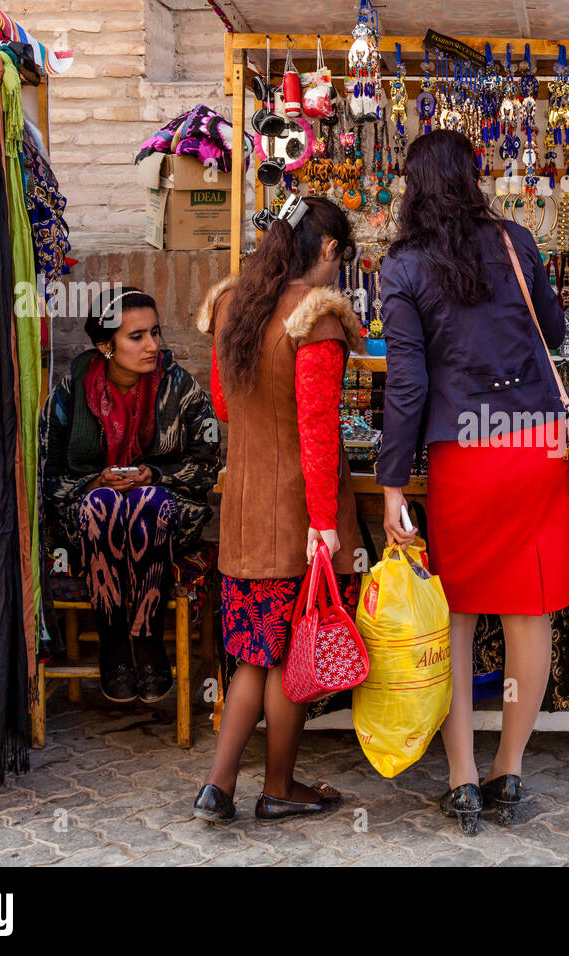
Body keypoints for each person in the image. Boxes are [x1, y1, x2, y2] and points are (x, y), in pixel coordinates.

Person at [377, 130, 569, 834]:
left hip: (462, 456)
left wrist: (390, 483)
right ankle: (510, 769)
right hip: (533, 446)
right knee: (528, 612)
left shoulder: (403, 266)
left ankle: (462, 778)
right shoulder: (515, 241)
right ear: (475, 179)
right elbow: (555, 333)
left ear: (412, 187)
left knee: (457, 615)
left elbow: (406, 386)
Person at [193, 195, 363, 824]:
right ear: (326, 251)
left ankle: (218, 787)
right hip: (296, 513)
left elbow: (226, 407)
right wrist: (324, 525)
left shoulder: (234, 305)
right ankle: (280, 787)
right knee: (289, 660)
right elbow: (318, 433)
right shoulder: (314, 321)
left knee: (252, 655)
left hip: (243, 507)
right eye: (340, 257)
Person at [40, 288, 221, 705]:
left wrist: (153, 475)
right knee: (105, 504)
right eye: (137, 337)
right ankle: (115, 643)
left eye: (155, 333)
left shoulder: (181, 389)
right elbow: (47, 475)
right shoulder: (70, 395)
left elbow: (206, 465)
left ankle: (147, 639)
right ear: (106, 346)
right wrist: (94, 482)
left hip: (166, 515)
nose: (153, 346)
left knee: (147, 502)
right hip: (87, 518)